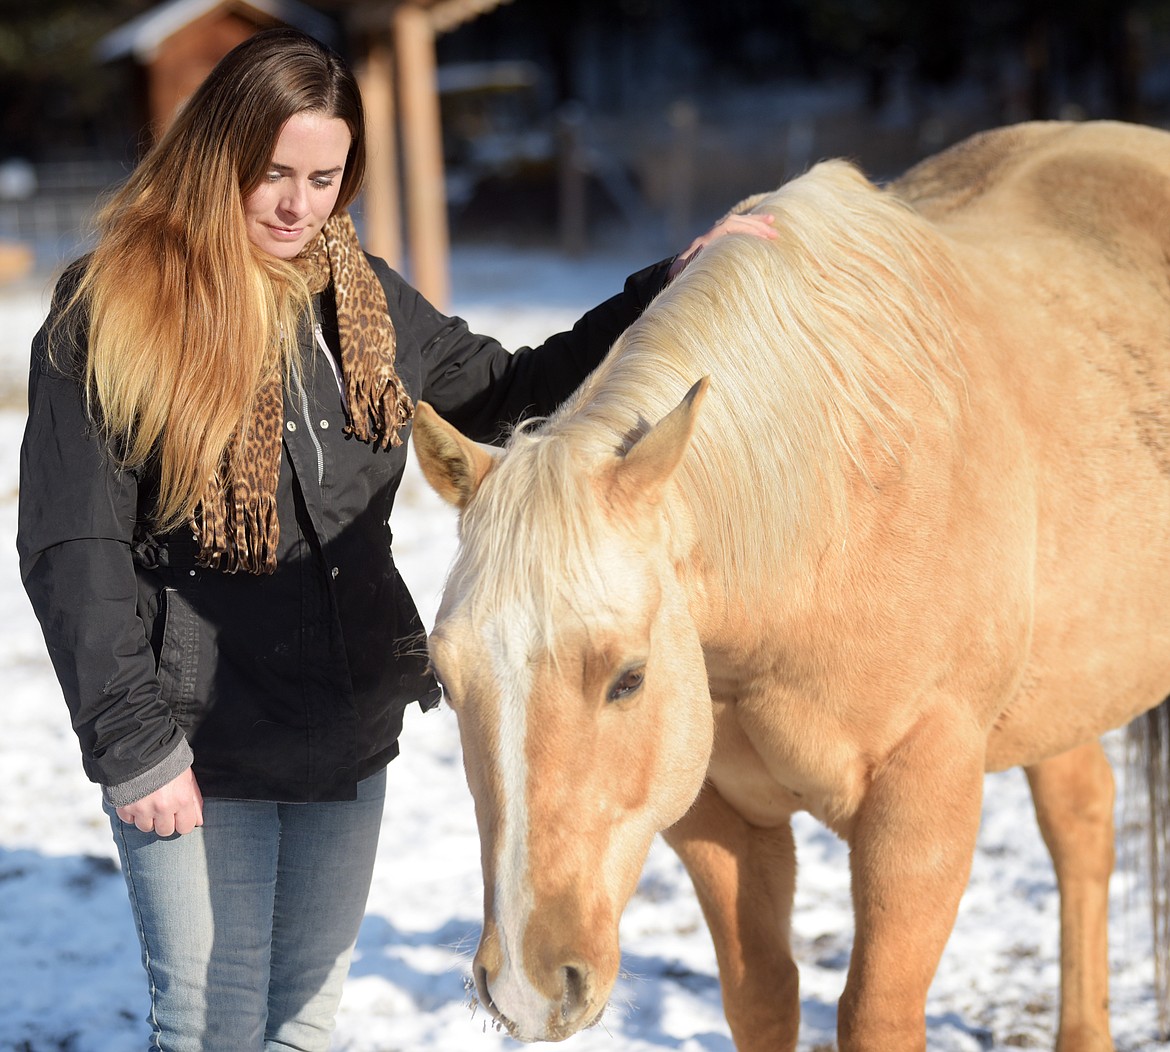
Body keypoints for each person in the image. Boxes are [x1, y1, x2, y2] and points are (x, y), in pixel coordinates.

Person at [16, 26, 775, 1052]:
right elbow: (73, 546)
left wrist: (662, 287)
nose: (297, 204)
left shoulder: (359, 299)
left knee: (303, 1023)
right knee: (211, 1025)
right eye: (271, 173)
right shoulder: (108, 309)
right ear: (215, 157)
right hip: (194, 737)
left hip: (344, 721)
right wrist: (134, 745)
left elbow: (505, 392)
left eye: (324, 177)